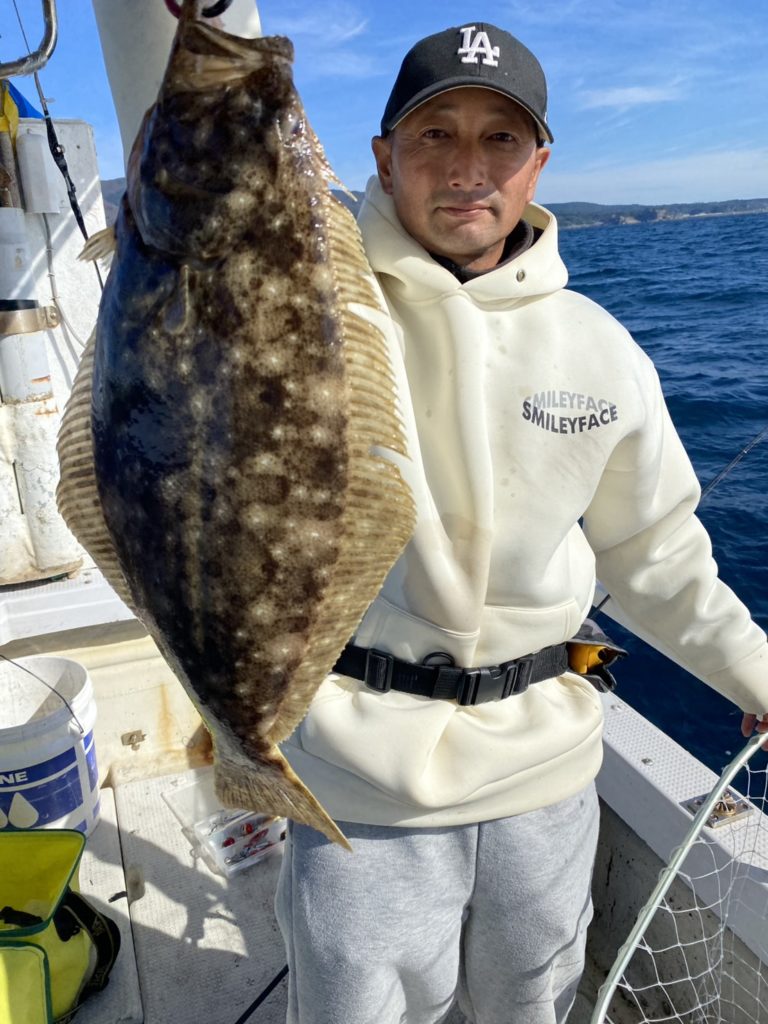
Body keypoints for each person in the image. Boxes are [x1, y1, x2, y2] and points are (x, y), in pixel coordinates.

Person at [275, 22, 768, 1024]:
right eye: (434, 134)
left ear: (538, 164)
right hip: (357, 776)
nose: (467, 167)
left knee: (531, 1004)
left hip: (545, 774)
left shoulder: (600, 347)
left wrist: (755, 676)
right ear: (383, 157)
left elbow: (656, 557)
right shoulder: (301, 313)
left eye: (500, 138)